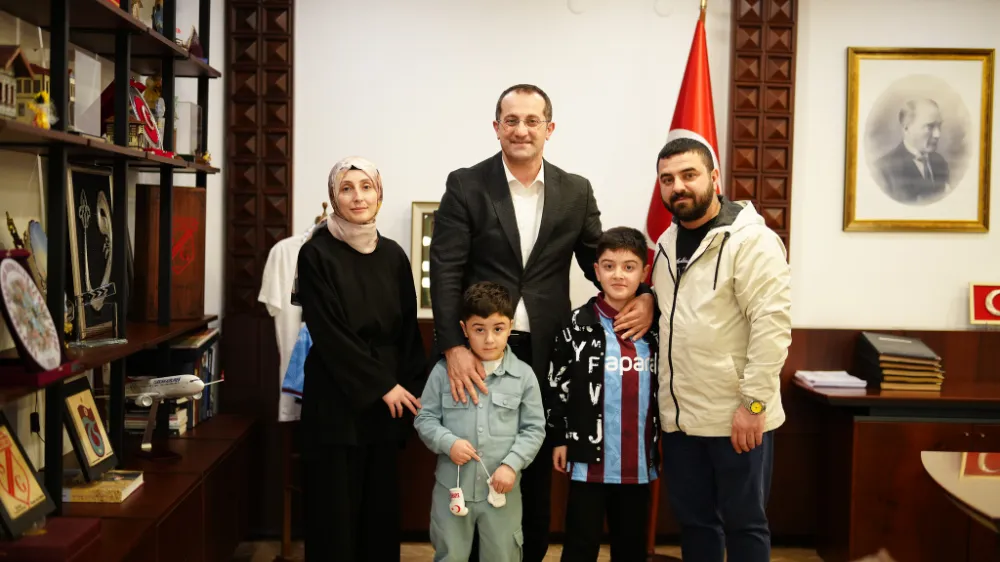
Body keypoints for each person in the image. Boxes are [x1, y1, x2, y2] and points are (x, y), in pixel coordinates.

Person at [429, 83, 656, 561]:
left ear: (549, 128)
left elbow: (601, 261)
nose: (521, 129)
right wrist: (453, 346)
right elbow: (446, 269)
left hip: (548, 352)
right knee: (478, 464)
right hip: (481, 349)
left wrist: (648, 296)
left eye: (532, 120)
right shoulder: (466, 184)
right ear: (496, 128)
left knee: (530, 467)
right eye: (511, 120)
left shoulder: (575, 190)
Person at [649, 137, 792, 562]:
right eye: (667, 179)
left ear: (714, 178)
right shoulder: (666, 243)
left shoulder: (752, 242)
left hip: (737, 419)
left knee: (745, 526)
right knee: (695, 525)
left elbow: (772, 327)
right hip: (681, 421)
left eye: (689, 175)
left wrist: (753, 406)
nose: (678, 186)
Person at [295, 156, 427, 561]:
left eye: (366, 187)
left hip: (387, 402)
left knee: (379, 510)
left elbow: (407, 330)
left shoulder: (394, 255)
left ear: (379, 194)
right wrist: (382, 385)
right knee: (334, 512)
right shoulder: (316, 254)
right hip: (336, 396)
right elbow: (330, 333)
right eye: (347, 188)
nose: (358, 197)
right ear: (333, 196)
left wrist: (414, 389)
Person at [548, 227, 660, 562]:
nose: (618, 275)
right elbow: (557, 385)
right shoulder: (575, 325)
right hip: (587, 458)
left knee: (631, 547)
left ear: (644, 272)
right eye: (609, 266)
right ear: (596, 271)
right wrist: (559, 437)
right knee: (580, 545)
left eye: (629, 267)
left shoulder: (657, 328)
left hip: (638, 458)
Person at [414, 281, 546, 561]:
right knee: (450, 555)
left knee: (502, 555)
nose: (489, 339)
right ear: (464, 329)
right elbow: (424, 417)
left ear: (510, 327)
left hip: (502, 490)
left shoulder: (524, 376)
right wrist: (448, 443)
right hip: (452, 489)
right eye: (479, 329)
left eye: (498, 329)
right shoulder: (443, 373)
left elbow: (534, 429)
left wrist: (511, 465)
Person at [873, 98, 951, 204]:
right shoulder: (883, 169)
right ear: (907, 128)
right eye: (930, 126)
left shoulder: (940, 162)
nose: (937, 134)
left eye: (939, 126)